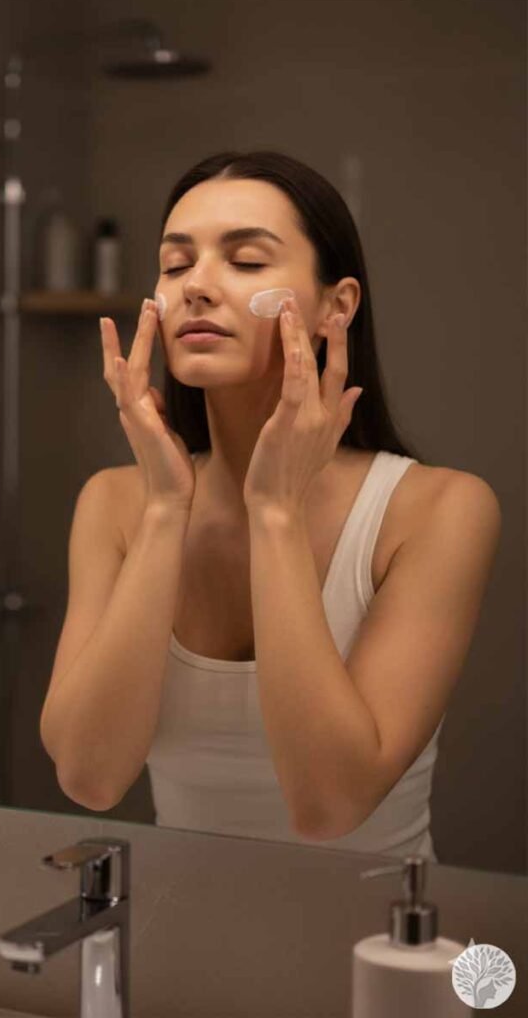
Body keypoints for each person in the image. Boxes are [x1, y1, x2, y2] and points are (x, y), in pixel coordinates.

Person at [40, 150, 501, 860]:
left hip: (374, 927)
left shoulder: (438, 510)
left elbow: (329, 805)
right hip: (179, 925)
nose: (197, 286)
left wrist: (276, 513)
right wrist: (166, 510)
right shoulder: (115, 504)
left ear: (336, 306)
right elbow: (89, 777)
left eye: (246, 261)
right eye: (175, 263)